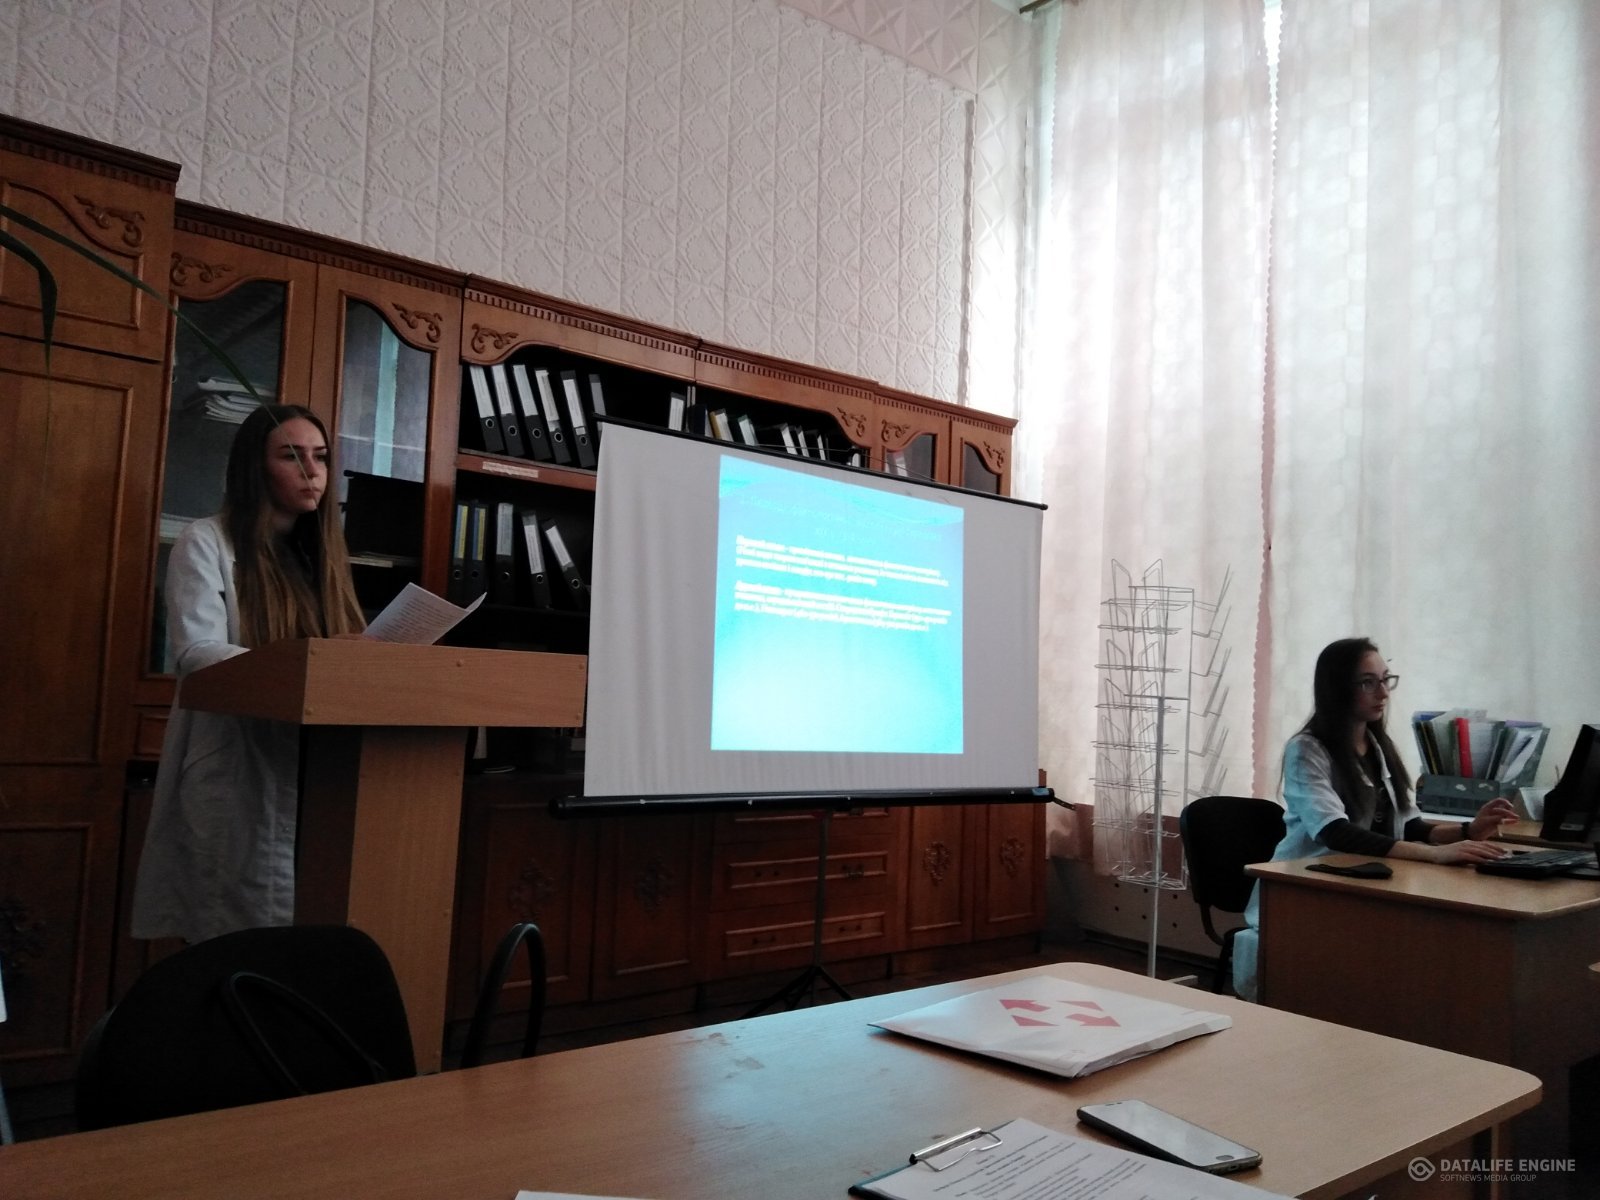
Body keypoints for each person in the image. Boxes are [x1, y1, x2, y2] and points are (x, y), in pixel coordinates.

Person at [131, 405, 366, 943]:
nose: (312, 471)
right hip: (240, 764)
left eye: (320, 457)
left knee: (309, 939)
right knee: (236, 939)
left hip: (324, 774)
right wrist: (308, 661)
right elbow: (198, 651)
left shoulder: (323, 559)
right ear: (254, 467)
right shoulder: (205, 541)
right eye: (292, 456)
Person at [1230, 637, 1515, 999]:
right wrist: (1434, 855)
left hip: (1365, 883)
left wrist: (1468, 830)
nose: (1383, 693)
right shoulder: (1306, 749)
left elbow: (1408, 826)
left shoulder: (1378, 746)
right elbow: (1336, 832)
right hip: (1305, 890)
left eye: (1385, 679)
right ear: (1337, 688)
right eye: (1368, 682)